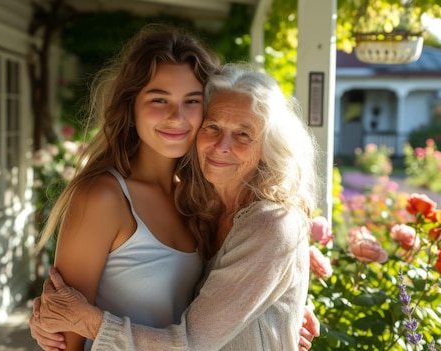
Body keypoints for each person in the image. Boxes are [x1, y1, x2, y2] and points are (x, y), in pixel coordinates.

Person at [31, 63, 321, 350]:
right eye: (213, 126)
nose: (222, 145)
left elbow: (192, 343)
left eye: (244, 134)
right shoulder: (200, 206)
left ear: (269, 147)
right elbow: (62, 325)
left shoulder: (268, 222)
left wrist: (87, 321)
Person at [33, 24, 220, 351]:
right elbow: (65, 338)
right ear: (131, 107)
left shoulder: (196, 199)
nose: (177, 117)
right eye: (159, 99)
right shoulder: (103, 196)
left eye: (191, 101)